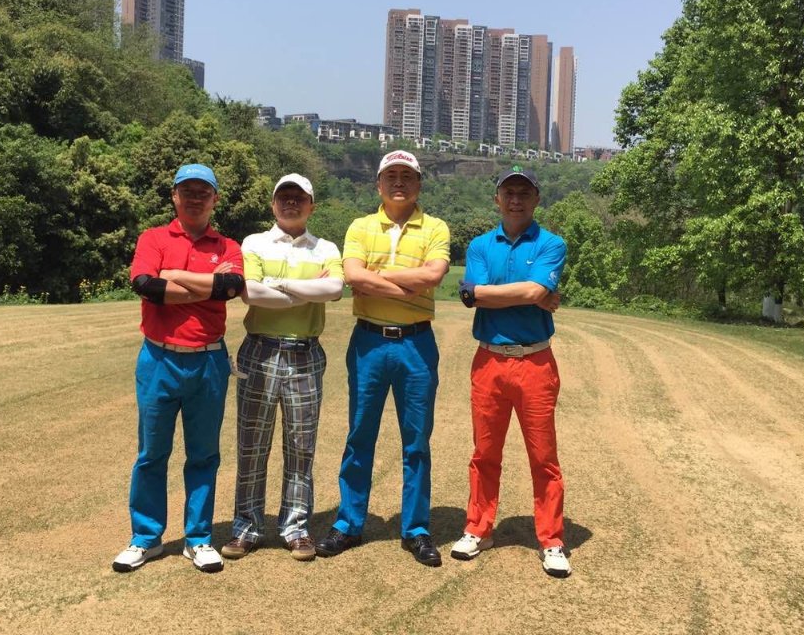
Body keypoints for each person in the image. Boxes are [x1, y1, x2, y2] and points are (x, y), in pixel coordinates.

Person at [315, 150, 450, 567]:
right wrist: (408, 288)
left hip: (416, 344)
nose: (399, 182)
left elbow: (433, 275)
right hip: (369, 342)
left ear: (419, 184)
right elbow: (352, 275)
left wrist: (376, 279)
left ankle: (416, 529)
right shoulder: (360, 226)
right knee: (360, 435)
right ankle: (349, 522)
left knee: (417, 441)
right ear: (378, 184)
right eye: (391, 175)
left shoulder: (435, 227)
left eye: (407, 176)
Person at [111, 163, 245, 574]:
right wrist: (206, 286)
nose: (195, 198)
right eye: (187, 191)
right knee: (152, 453)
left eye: (203, 192)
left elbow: (231, 288)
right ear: (174, 195)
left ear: (215, 199)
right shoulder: (153, 238)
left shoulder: (228, 246)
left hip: (208, 359)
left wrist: (174, 277)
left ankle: (198, 538)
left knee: (203, 454)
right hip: (159, 359)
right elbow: (144, 286)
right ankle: (146, 538)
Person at [451, 165, 571, 578]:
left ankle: (551, 539)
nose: (515, 199)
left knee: (543, 456)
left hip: (535, 361)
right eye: (509, 192)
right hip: (489, 360)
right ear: (497, 199)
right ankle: (478, 528)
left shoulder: (551, 243)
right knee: (485, 453)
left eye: (524, 193)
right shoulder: (481, 245)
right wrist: (530, 294)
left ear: (536, 199)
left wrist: (486, 293)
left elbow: (525, 291)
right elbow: (490, 297)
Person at [220, 174, 344, 562]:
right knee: (252, 444)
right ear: (273, 204)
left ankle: (296, 528)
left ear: (312, 206)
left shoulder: (325, 247)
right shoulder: (254, 243)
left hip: (305, 353)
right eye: (283, 197)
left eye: (299, 197)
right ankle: (247, 526)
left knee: (301, 446)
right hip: (260, 350)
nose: (291, 203)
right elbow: (251, 293)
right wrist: (304, 290)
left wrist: (279, 284)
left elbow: (334, 289)